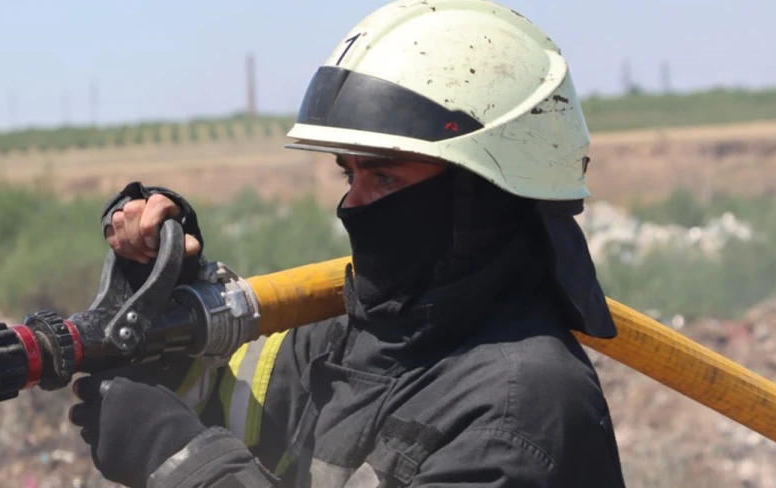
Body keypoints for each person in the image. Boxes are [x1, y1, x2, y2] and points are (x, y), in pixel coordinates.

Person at [69, 1, 627, 486]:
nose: (352, 205)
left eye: (383, 177)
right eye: (348, 174)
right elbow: (220, 400)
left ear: (484, 196)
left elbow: (187, 446)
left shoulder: (520, 413)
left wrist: (179, 460)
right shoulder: (351, 336)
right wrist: (162, 291)